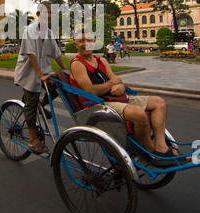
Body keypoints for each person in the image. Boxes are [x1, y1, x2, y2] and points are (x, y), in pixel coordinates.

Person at [70, 30, 181, 167]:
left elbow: (118, 81)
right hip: (99, 104)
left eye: (89, 40)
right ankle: (150, 150)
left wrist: (121, 86)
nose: (86, 43)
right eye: (81, 41)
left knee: (159, 102)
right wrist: (112, 83)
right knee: (138, 113)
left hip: (117, 98)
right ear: (76, 44)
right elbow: (91, 90)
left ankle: (161, 147)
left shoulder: (102, 60)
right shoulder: (77, 64)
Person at [14, 1, 67, 155]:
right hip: (30, 73)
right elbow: (32, 55)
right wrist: (39, 75)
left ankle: (41, 105)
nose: (49, 16)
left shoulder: (49, 33)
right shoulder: (30, 30)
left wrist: (66, 72)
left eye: (51, 13)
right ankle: (32, 140)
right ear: (38, 14)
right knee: (30, 103)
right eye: (46, 12)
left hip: (45, 70)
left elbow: (56, 54)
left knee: (59, 84)